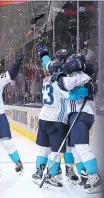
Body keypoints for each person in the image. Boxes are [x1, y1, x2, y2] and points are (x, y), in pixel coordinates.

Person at [52, 54, 101, 194]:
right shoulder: (80, 76)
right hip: (78, 114)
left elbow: (64, 84)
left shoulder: (79, 75)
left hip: (81, 113)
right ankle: (87, 175)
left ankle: (95, 178)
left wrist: (59, 76)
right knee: (74, 148)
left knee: (81, 146)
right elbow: (67, 92)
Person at [32, 48, 78, 188]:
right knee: (56, 152)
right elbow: (72, 96)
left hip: (43, 118)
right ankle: (51, 175)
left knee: (44, 149)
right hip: (57, 121)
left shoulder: (47, 79)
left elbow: (47, 63)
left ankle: (38, 172)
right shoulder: (63, 81)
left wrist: (43, 53)